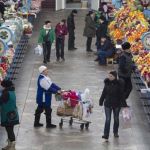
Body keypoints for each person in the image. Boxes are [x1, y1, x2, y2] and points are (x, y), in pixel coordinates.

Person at [99, 71, 127, 141]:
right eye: (109, 76)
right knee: (108, 119)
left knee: (116, 118)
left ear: (115, 77)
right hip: (107, 104)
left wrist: (124, 104)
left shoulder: (119, 84)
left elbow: (121, 95)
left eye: (111, 76)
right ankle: (106, 134)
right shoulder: (107, 83)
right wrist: (101, 101)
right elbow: (104, 92)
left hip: (116, 104)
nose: (109, 77)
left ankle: (115, 131)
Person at [0, 80, 19, 150]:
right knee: (10, 130)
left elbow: (1, 101)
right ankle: (9, 145)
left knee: (9, 130)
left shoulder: (6, 93)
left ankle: (12, 147)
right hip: (13, 114)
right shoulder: (12, 91)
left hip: (7, 115)